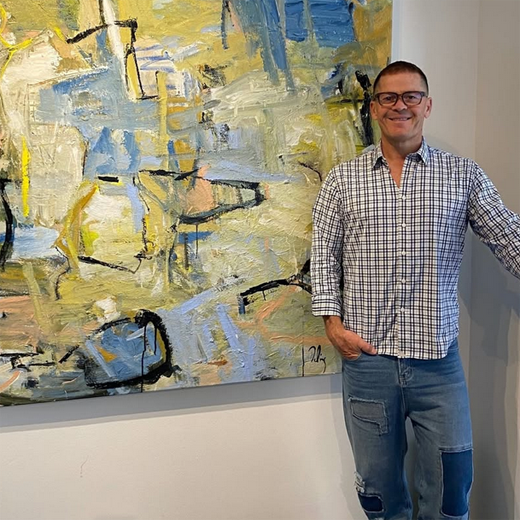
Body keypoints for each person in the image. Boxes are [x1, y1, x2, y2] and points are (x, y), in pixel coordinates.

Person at [311, 60, 520, 520]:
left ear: (427, 105)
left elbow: (509, 238)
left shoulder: (463, 175)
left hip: (438, 364)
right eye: (388, 97)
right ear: (374, 108)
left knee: (451, 493)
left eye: (411, 96)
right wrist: (333, 325)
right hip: (368, 361)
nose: (399, 106)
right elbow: (323, 256)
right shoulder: (342, 181)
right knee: (379, 494)